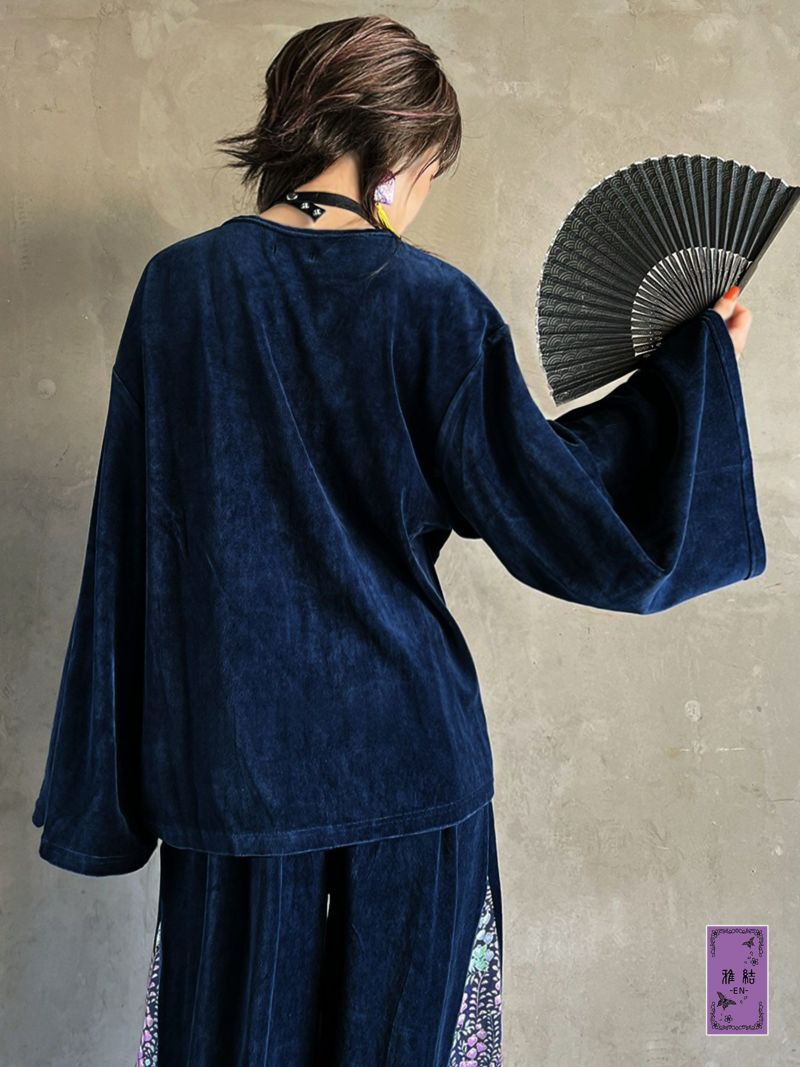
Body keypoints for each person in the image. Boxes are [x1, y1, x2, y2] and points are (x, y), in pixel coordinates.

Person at [29, 15, 764, 1067]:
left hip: (231, 772)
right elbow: (553, 504)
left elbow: (127, 557)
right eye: (429, 171)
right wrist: (690, 380)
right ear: (401, 151)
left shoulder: (177, 291)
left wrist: (107, 800)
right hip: (412, 769)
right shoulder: (432, 304)